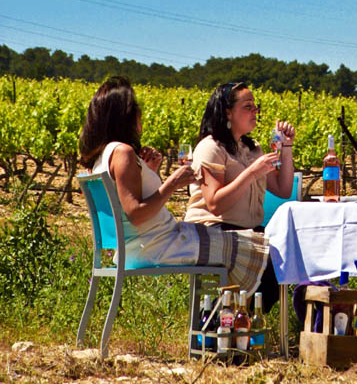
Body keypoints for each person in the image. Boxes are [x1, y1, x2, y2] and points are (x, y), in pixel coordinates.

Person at [78, 76, 269, 294]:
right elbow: (136, 214)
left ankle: (222, 316)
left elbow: (130, 205)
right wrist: (173, 183)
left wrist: (150, 173)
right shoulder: (123, 152)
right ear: (124, 116)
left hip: (142, 244)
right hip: (160, 245)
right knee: (255, 249)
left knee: (245, 245)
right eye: (135, 108)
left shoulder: (103, 157)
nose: (140, 114)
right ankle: (228, 318)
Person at [184, 81, 295, 312]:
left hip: (247, 231)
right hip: (213, 229)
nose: (255, 111)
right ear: (227, 112)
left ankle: (231, 322)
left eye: (256, 106)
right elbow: (214, 204)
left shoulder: (252, 148)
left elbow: (284, 189)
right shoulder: (210, 147)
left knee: (288, 250)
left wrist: (286, 147)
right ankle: (224, 320)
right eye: (248, 106)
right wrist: (252, 172)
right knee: (271, 262)